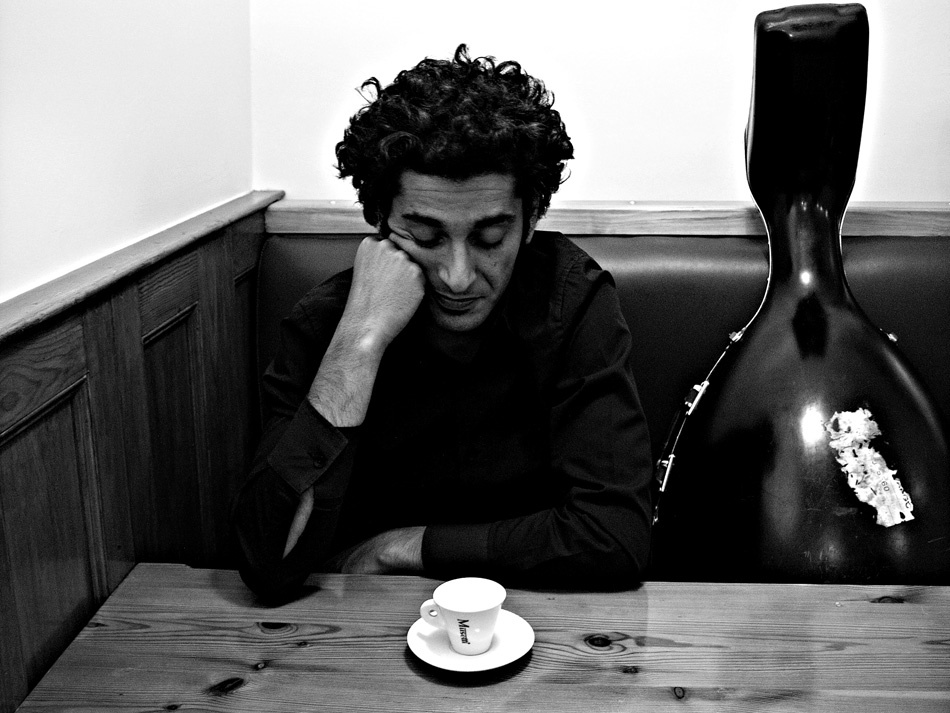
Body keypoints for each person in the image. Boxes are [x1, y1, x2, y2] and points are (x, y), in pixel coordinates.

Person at [232, 45, 653, 601]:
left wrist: (402, 548)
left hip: (531, 617)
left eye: (489, 238)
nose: (457, 276)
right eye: (426, 237)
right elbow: (267, 562)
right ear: (380, 220)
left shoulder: (571, 301)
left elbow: (614, 538)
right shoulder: (327, 319)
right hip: (360, 620)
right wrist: (359, 341)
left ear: (531, 220)